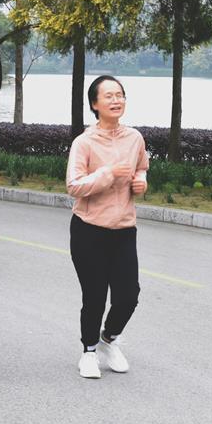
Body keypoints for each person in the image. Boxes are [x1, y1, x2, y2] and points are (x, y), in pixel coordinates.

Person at [66, 75, 148, 379]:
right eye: (109, 96)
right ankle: (88, 352)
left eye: (120, 95)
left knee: (128, 295)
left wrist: (141, 182)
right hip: (89, 229)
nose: (116, 100)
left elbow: (142, 167)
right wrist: (108, 173)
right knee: (95, 295)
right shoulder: (84, 142)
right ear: (94, 104)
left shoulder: (135, 138)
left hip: (124, 228)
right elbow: (74, 186)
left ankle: (108, 338)